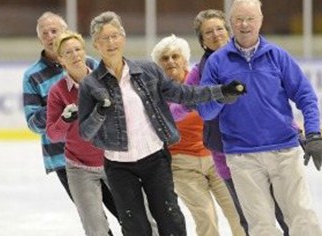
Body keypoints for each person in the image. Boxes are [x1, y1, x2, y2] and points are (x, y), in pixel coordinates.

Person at [78, 11, 245, 236]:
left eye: (115, 36)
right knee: (135, 226)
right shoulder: (90, 84)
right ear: (96, 45)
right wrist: (100, 112)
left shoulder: (148, 71)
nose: (111, 43)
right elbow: (85, 132)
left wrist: (220, 91)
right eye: (104, 38)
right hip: (119, 166)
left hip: (155, 160)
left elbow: (183, 93)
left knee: (171, 219)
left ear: (123, 38)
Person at [198, 1, 322, 235]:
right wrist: (221, 95)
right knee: (260, 225)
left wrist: (314, 134)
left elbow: (306, 95)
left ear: (260, 21)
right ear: (231, 22)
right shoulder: (217, 62)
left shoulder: (277, 56)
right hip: (242, 156)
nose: (244, 25)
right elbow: (206, 111)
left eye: (250, 19)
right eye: (238, 19)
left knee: (302, 217)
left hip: (284, 151)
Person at [188, 9, 290, 236]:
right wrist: (191, 103)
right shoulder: (198, 73)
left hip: (265, 147)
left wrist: (292, 126)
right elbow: (180, 103)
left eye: (219, 29)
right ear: (202, 41)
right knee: (249, 217)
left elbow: (272, 102)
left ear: (229, 30)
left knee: (284, 213)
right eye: (208, 32)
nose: (215, 35)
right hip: (227, 154)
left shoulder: (252, 57)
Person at [22, 11, 118, 223]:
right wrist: (58, 107)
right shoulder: (32, 76)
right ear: (39, 38)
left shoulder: (90, 64)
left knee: (124, 211)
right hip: (64, 159)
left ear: (65, 32)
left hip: (102, 151)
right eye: (44, 33)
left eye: (54, 30)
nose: (49, 36)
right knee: (95, 220)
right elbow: (32, 124)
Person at [150, 34, 245, 236]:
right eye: (164, 59)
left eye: (175, 56)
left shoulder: (199, 81)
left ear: (185, 59)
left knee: (238, 213)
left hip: (215, 158)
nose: (171, 61)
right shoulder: (155, 92)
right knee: (206, 217)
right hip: (182, 165)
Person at [45, 31, 117, 236]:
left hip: (115, 161)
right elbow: (53, 134)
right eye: (68, 52)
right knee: (96, 228)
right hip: (80, 167)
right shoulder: (58, 91)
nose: (75, 55)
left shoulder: (107, 80)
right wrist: (65, 120)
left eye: (78, 50)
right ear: (60, 59)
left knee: (140, 217)